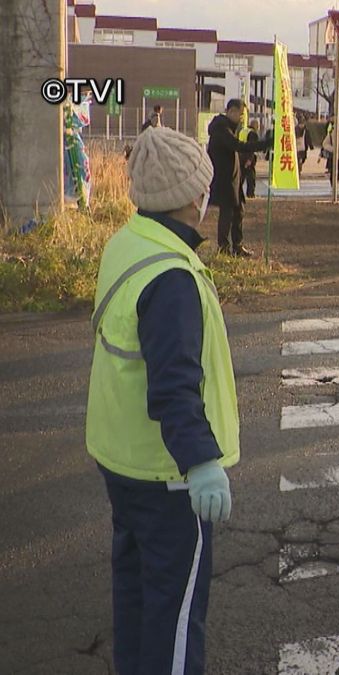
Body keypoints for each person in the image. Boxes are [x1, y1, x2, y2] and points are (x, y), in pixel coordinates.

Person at [89, 126, 240, 675]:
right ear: (191, 196)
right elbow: (175, 385)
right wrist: (202, 464)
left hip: (121, 461)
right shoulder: (172, 276)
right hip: (168, 476)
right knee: (176, 619)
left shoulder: (129, 242)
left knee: (136, 599)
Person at [206, 99, 272, 257]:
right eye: (240, 115)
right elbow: (238, 146)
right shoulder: (221, 128)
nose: (242, 119)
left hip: (233, 177)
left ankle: (237, 245)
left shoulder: (226, 127)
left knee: (238, 211)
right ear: (231, 112)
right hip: (224, 178)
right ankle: (224, 248)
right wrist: (265, 144)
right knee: (227, 213)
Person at [322, 122, 339, 187]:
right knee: (333, 172)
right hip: (333, 158)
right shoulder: (330, 136)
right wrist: (332, 149)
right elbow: (325, 144)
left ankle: (336, 180)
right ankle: (333, 184)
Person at [240, 120, 261, 199]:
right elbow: (252, 147)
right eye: (257, 126)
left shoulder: (243, 131)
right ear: (255, 126)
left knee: (241, 177)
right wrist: (249, 159)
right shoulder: (253, 134)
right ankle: (250, 194)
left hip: (240, 156)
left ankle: (237, 194)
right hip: (248, 157)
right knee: (251, 178)